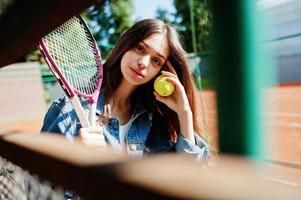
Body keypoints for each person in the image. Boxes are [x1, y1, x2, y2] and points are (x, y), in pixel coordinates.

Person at [41, 18, 209, 160]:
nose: (143, 63)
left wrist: (185, 114)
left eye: (156, 61)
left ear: (160, 72)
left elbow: (182, 179)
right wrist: (74, 154)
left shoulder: (152, 121)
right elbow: (37, 182)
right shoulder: (69, 112)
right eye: (140, 48)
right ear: (126, 44)